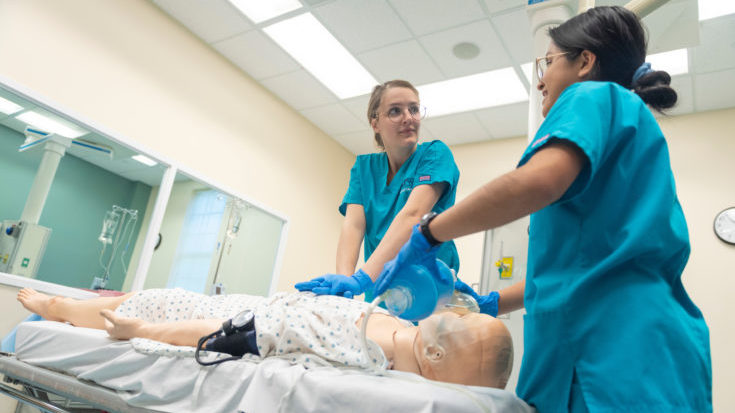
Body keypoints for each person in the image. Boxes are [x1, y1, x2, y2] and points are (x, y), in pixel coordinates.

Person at [373, 6, 711, 413]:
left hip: (607, 351)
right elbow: (584, 268)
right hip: (650, 348)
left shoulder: (591, 95)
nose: (540, 83)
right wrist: (492, 303)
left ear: (584, 61)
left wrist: (429, 233)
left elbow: (537, 182)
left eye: (547, 63)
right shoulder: (633, 125)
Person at [16, 287, 513, 389]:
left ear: (435, 353)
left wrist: (141, 329)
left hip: (227, 311)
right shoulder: (393, 330)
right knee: (127, 298)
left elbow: (236, 338)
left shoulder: (370, 347)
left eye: (465, 320)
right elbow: (238, 332)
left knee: (131, 301)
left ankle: (54, 307)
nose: (459, 310)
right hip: (230, 305)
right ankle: (59, 307)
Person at [295, 80, 460, 299]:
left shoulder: (435, 154)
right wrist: (344, 286)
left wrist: (361, 279)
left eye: (414, 109)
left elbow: (413, 215)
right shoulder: (364, 168)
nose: (408, 118)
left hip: (429, 289)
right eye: (395, 111)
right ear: (375, 123)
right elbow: (354, 225)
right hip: (379, 288)